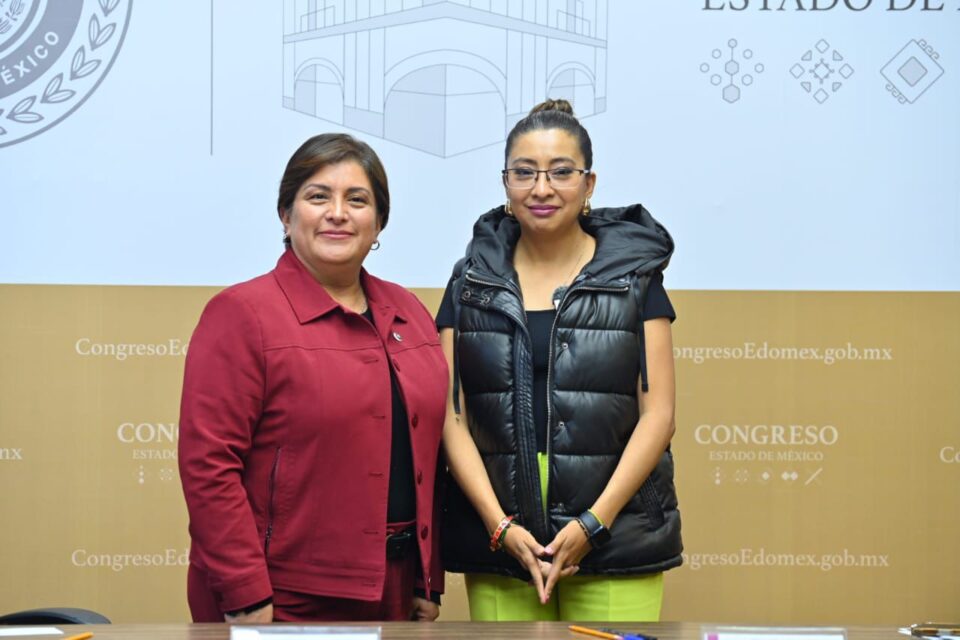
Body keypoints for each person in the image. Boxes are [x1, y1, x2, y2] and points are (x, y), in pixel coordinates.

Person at [178, 133, 447, 623]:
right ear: (286, 215)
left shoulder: (409, 311)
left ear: (379, 222)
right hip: (283, 597)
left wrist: (428, 579)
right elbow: (209, 465)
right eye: (318, 196)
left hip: (397, 586)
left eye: (357, 200)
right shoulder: (241, 314)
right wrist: (245, 593)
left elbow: (428, 453)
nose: (337, 213)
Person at [437, 99, 683, 621]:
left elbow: (658, 415)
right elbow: (450, 417)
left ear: (589, 184)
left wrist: (594, 524)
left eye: (561, 172)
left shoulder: (635, 278)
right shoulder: (470, 281)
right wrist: (499, 527)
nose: (541, 188)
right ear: (505, 183)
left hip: (618, 534)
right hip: (503, 539)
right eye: (525, 172)